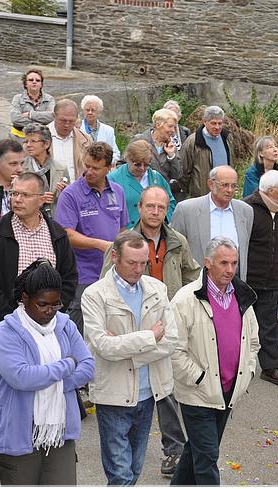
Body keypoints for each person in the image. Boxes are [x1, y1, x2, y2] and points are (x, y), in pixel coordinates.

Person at [99, 185, 199, 477]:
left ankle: (173, 449)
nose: (156, 212)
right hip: (131, 326)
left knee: (166, 389)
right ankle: (125, 454)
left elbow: (192, 277)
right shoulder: (123, 242)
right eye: (150, 206)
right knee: (137, 387)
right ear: (139, 208)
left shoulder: (178, 241)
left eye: (161, 207)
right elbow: (106, 282)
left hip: (166, 326)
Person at [0, 260, 94, 485]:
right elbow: (22, 377)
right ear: (25, 299)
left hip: (60, 433)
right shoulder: (4, 333)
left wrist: (51, 381)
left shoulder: (66, 325)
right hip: (17, 433)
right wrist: (67, 364)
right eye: (43, 304)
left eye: (56, 305)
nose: (50, 311)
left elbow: (88, 367)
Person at [82, 230, 178, 485]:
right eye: (131, 263)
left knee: (134, 471)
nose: (138, 269)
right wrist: (149, 337)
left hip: (148, 394)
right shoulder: (94, 295)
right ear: (114, 257)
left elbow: (171, 340)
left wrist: (127, 350)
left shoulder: (158, 289)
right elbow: (103, 346)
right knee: (120, 475)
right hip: (113, 395)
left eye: (143, 262)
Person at [0, 172, 78, 389]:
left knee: (47, 390)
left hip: (48, 329)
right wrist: (16, 320)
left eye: (25, 195)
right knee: (5, 397)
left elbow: (69, 278)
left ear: (42, 199)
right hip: (4, 328)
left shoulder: (57, 234)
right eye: (14, 193)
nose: (16, 199)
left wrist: (52, 311)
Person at [170, 236, 260, 486]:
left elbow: (253, 342)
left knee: (196, 452)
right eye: (223, 263)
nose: (230, 270)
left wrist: (248, 373)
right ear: (208, 263)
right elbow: (174, 350)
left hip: (229, 392)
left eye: (234, 263)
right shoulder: (185, 299)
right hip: (197, 394)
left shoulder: (243, 296)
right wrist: (198, 377)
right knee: (208, 457)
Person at [54, 142, 128, 333]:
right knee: (79, 327)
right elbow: (66, 234)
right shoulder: (70, 194)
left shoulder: (118, 192)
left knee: (111, 326)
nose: (89, 172)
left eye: (95, 168)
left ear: (108, 168)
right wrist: (99, 245)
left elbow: (123, 228)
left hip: (113, 273)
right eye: (86, 166)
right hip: (83, 274)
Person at [243, 170, 278, 386]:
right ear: (271, 191)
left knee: (269, 324)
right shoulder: (247, 209)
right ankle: (235, 364)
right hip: (248, 278)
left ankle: (271, 367)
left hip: (272, 277)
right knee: (240, 323)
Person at [170, 165, 253, 278]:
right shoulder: (187, 210)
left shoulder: (245, 211)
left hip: (234, 284)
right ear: (211, 184)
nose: (230, 190)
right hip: (198, 283)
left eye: (234, 186)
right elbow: (175, 251)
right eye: (225, 185)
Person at [108, 139, 175, 228]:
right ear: (128, 159)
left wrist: (163, 220)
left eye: (146, 165)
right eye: (137, 164)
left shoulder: (156, 178)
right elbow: (110, 211)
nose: (142, 168)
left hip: (155, 231)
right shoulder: (113, 179)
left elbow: (171, 203)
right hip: (127, 233)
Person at [179, 105, 233, 199]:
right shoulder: (193, 141)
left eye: (220, 123)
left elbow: (231, 164)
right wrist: (194, 191)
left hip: (225, 194)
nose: (217, 127)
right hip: (202, 195)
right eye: (213, 123)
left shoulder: (226, 138)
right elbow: (183, 172)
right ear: (204, 122)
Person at [22, 123, 70, 215]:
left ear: (46, 144)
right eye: (26, 141)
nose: (28, 145)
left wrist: (64, 192)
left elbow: (69, 200)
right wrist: (39, 199)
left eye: (33, 141)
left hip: (55, 219)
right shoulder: (21, 168)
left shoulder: (61, 169)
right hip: (30, 218)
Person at [131, 108, 182, 192]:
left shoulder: (171, 146)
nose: (173, 130)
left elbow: (177, 175)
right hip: (140, 192)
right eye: (170, 126)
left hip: (162, 194)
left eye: (174, 127)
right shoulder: (140, 140)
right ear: (158, 125)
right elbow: (122, 164)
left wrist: (171, 156)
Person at [243, 136, 278, 211]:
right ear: (261, 153)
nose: (275, 149)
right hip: (258, 213)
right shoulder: (252, 173)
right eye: (269, 147)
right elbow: (252, 197)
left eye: (276, 146)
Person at [48, 99, 92, 181]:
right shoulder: (39, 138)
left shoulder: (85, 140)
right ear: (54, 116)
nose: (67, 125)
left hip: (76, 190)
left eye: (71, 121)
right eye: (63, 120)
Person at [9, 69, 56, 141]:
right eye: (31, 80)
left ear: (41, 84)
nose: (34, 82)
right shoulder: (17, 98)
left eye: (37, 80)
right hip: (19, 137)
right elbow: (15, 119)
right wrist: (42, 121)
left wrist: (30, 115)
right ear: (25, 84)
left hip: (42, 139)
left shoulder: (49, 99)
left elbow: (52, 117)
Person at [79, 95, 120, 164]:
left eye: (93, 110)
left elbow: (115, 153)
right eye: (87, 110)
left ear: (99, 112)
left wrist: (104, 163)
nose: (90, 112)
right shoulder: (77, 129)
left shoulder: (108, 130)